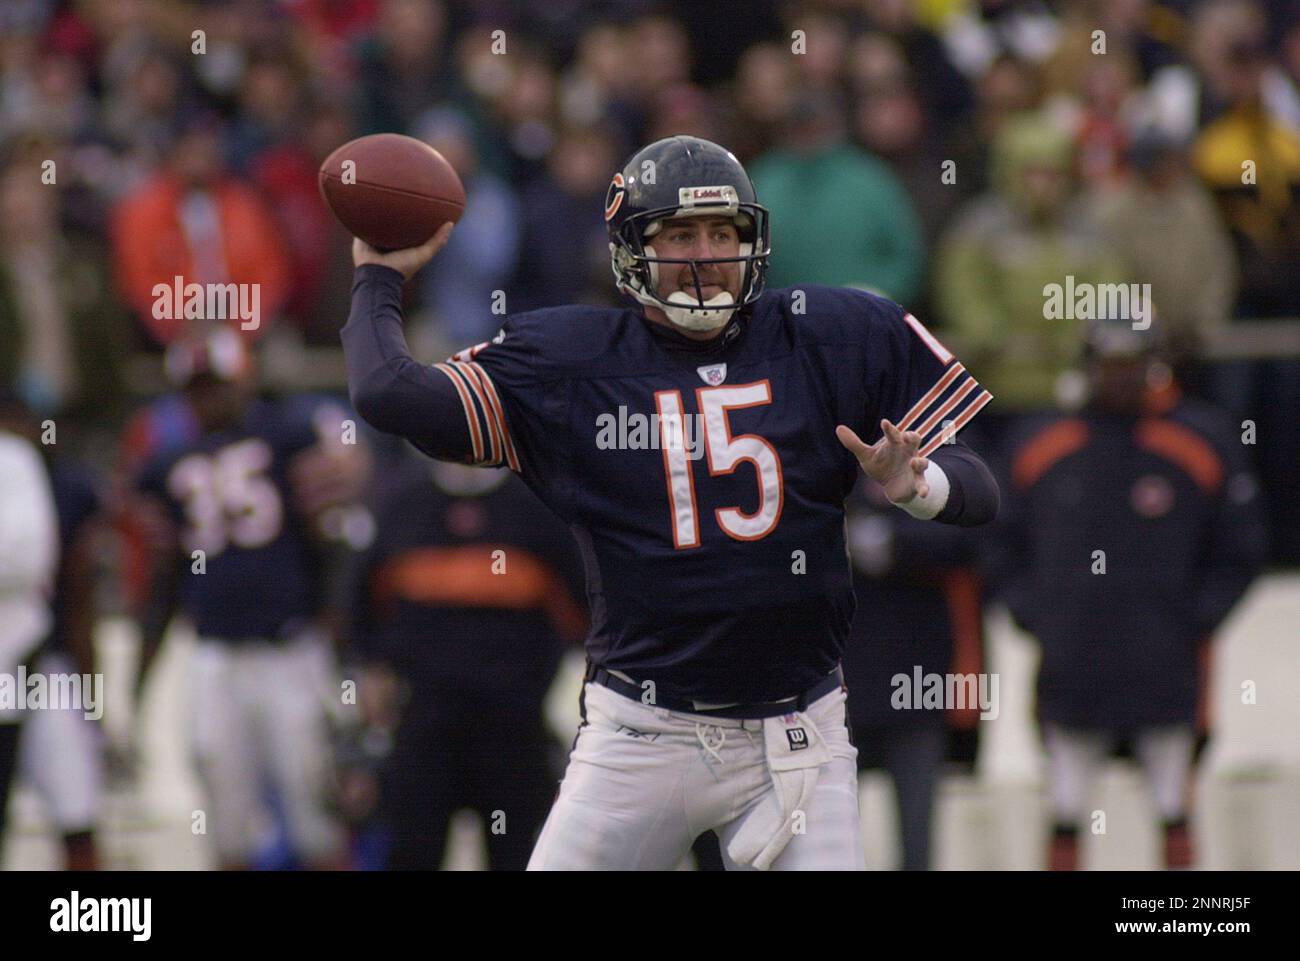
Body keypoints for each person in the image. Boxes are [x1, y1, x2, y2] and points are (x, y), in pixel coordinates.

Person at [340, 136, 999, 871]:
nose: (705, 254)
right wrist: (378, 279)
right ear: (630, 250)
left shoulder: (835, 332)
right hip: (640, 737)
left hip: (797, 737)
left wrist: (918, 487)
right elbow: (387, 392)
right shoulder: (570, 360)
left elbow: (979, 488)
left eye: (724, 234)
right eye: (680, 233)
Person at [991, 315, 1266, 870]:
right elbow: (998, 544)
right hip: (1071, 664)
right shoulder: (1041, 443)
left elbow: (1242, 548)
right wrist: (1038, 617)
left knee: (1174, 804)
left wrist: (1193, 620)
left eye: (1131, 365)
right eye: (1108, 365)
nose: (1120, 378)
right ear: (1087, 368)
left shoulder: (1199, 439)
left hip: (1165, 663)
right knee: (1067, 804)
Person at [130, 326, 364, 870]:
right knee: (226, 826)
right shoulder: (166, 464)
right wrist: (137, 688)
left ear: (246, 379)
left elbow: (336, 542)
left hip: (290, 649)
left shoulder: (291, 435)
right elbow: (163, 581)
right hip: (214, 656)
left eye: (217, 384)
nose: (209, 399)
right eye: (197, 388)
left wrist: (346, 654)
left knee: (318, 816)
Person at [347, 454, 585, 870]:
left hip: (514, 730)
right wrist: (369, 677)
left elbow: (581, 617)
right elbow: (361, 610)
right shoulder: (402, 504)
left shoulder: (538, 508)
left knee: (519, 855)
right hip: (422, 726)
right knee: (411, 852)